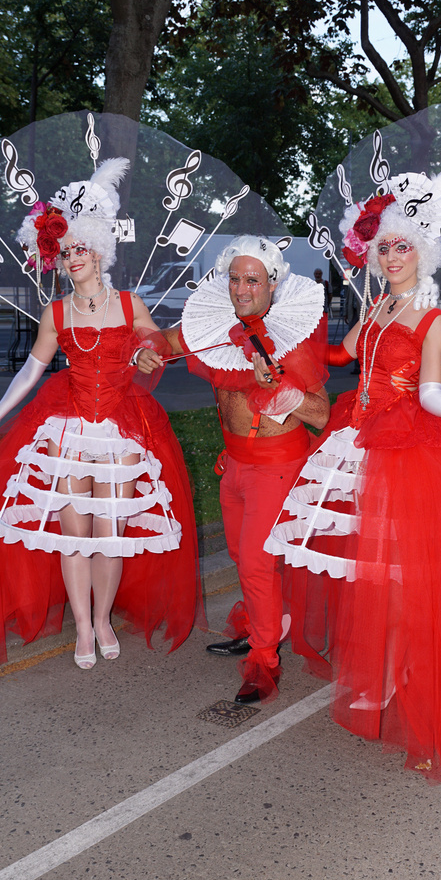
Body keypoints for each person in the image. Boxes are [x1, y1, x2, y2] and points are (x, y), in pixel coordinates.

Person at [265, 168, 441, 782]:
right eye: (384, 246)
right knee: (371, 573)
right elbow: (346, 356)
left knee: (404, 578)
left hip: (411, 450)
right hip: (359, 440)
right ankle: (383, 674)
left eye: (402, 245)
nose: (391, 256)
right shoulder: (380, 304)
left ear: (426, 250)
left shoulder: (432, 319)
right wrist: (288, 343)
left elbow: (431, 392)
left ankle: (405, 679)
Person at [0, 158, 202, 671]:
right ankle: (83, 626)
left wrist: (146, 353)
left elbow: (156, 345)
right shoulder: (56, 313)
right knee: (74, 535)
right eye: (64, 252)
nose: (73, 259)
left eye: (80, 248)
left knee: (111, 534)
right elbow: (28, 373)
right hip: (67, 430)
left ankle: (103, 617)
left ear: (100, 250)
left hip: (122, 429)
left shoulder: (130, 305)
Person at [137, 236, 329, 705]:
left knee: (259, 563)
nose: (242, 288)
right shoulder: (216, 326)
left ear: (271, 285)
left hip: (277, 466)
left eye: (253, 279)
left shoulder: (289, 341)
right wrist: (146, 348)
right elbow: (166, 339)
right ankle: (261, 626)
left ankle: (264, 659)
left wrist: (284, 390)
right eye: (235, 278)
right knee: (245, 559)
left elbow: (322, 414)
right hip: (235, 463)